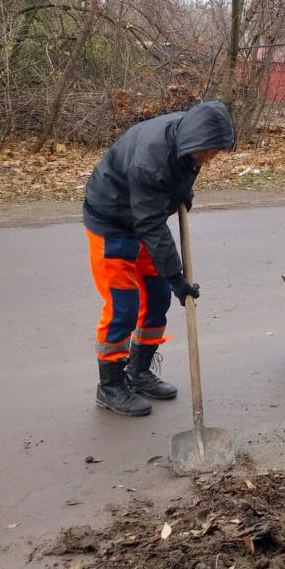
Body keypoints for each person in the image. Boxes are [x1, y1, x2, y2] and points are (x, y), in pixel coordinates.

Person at [82, 100, 235, 416]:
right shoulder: (150, 161)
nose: (208, 159)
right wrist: (178, 279)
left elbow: (179, 173)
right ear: (192, 141)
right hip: (111, 220)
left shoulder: (190, 136)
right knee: (123, 306)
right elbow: (151, 225)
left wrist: (182, 192)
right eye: (205, 153)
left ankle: (138, 372)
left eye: (214, 153)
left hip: (142, 215)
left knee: (157, 297)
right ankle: (109, 386)